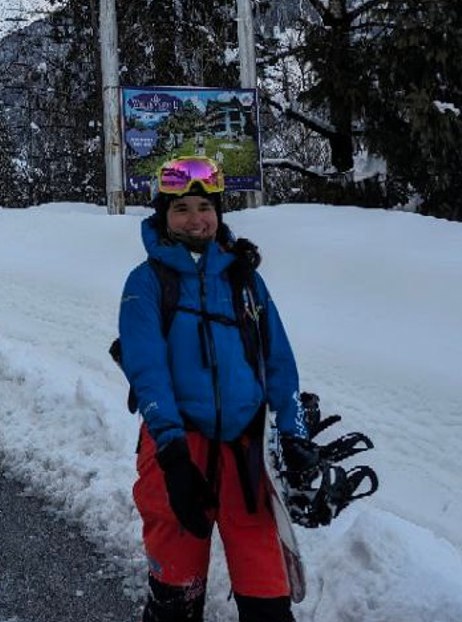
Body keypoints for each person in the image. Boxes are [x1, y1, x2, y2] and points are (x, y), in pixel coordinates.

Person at [117, 155, 314, 622]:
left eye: (204, 207)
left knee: (267, 599)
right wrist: (172, 455)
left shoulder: (244, 280)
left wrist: (293, 434)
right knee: (176, 596)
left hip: (245, 451)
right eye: (181, 208)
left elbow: (278, 361)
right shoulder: (146, 282)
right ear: (164, 216)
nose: (195, 219)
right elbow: (147, 369)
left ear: (219, 212)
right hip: (177, 445)